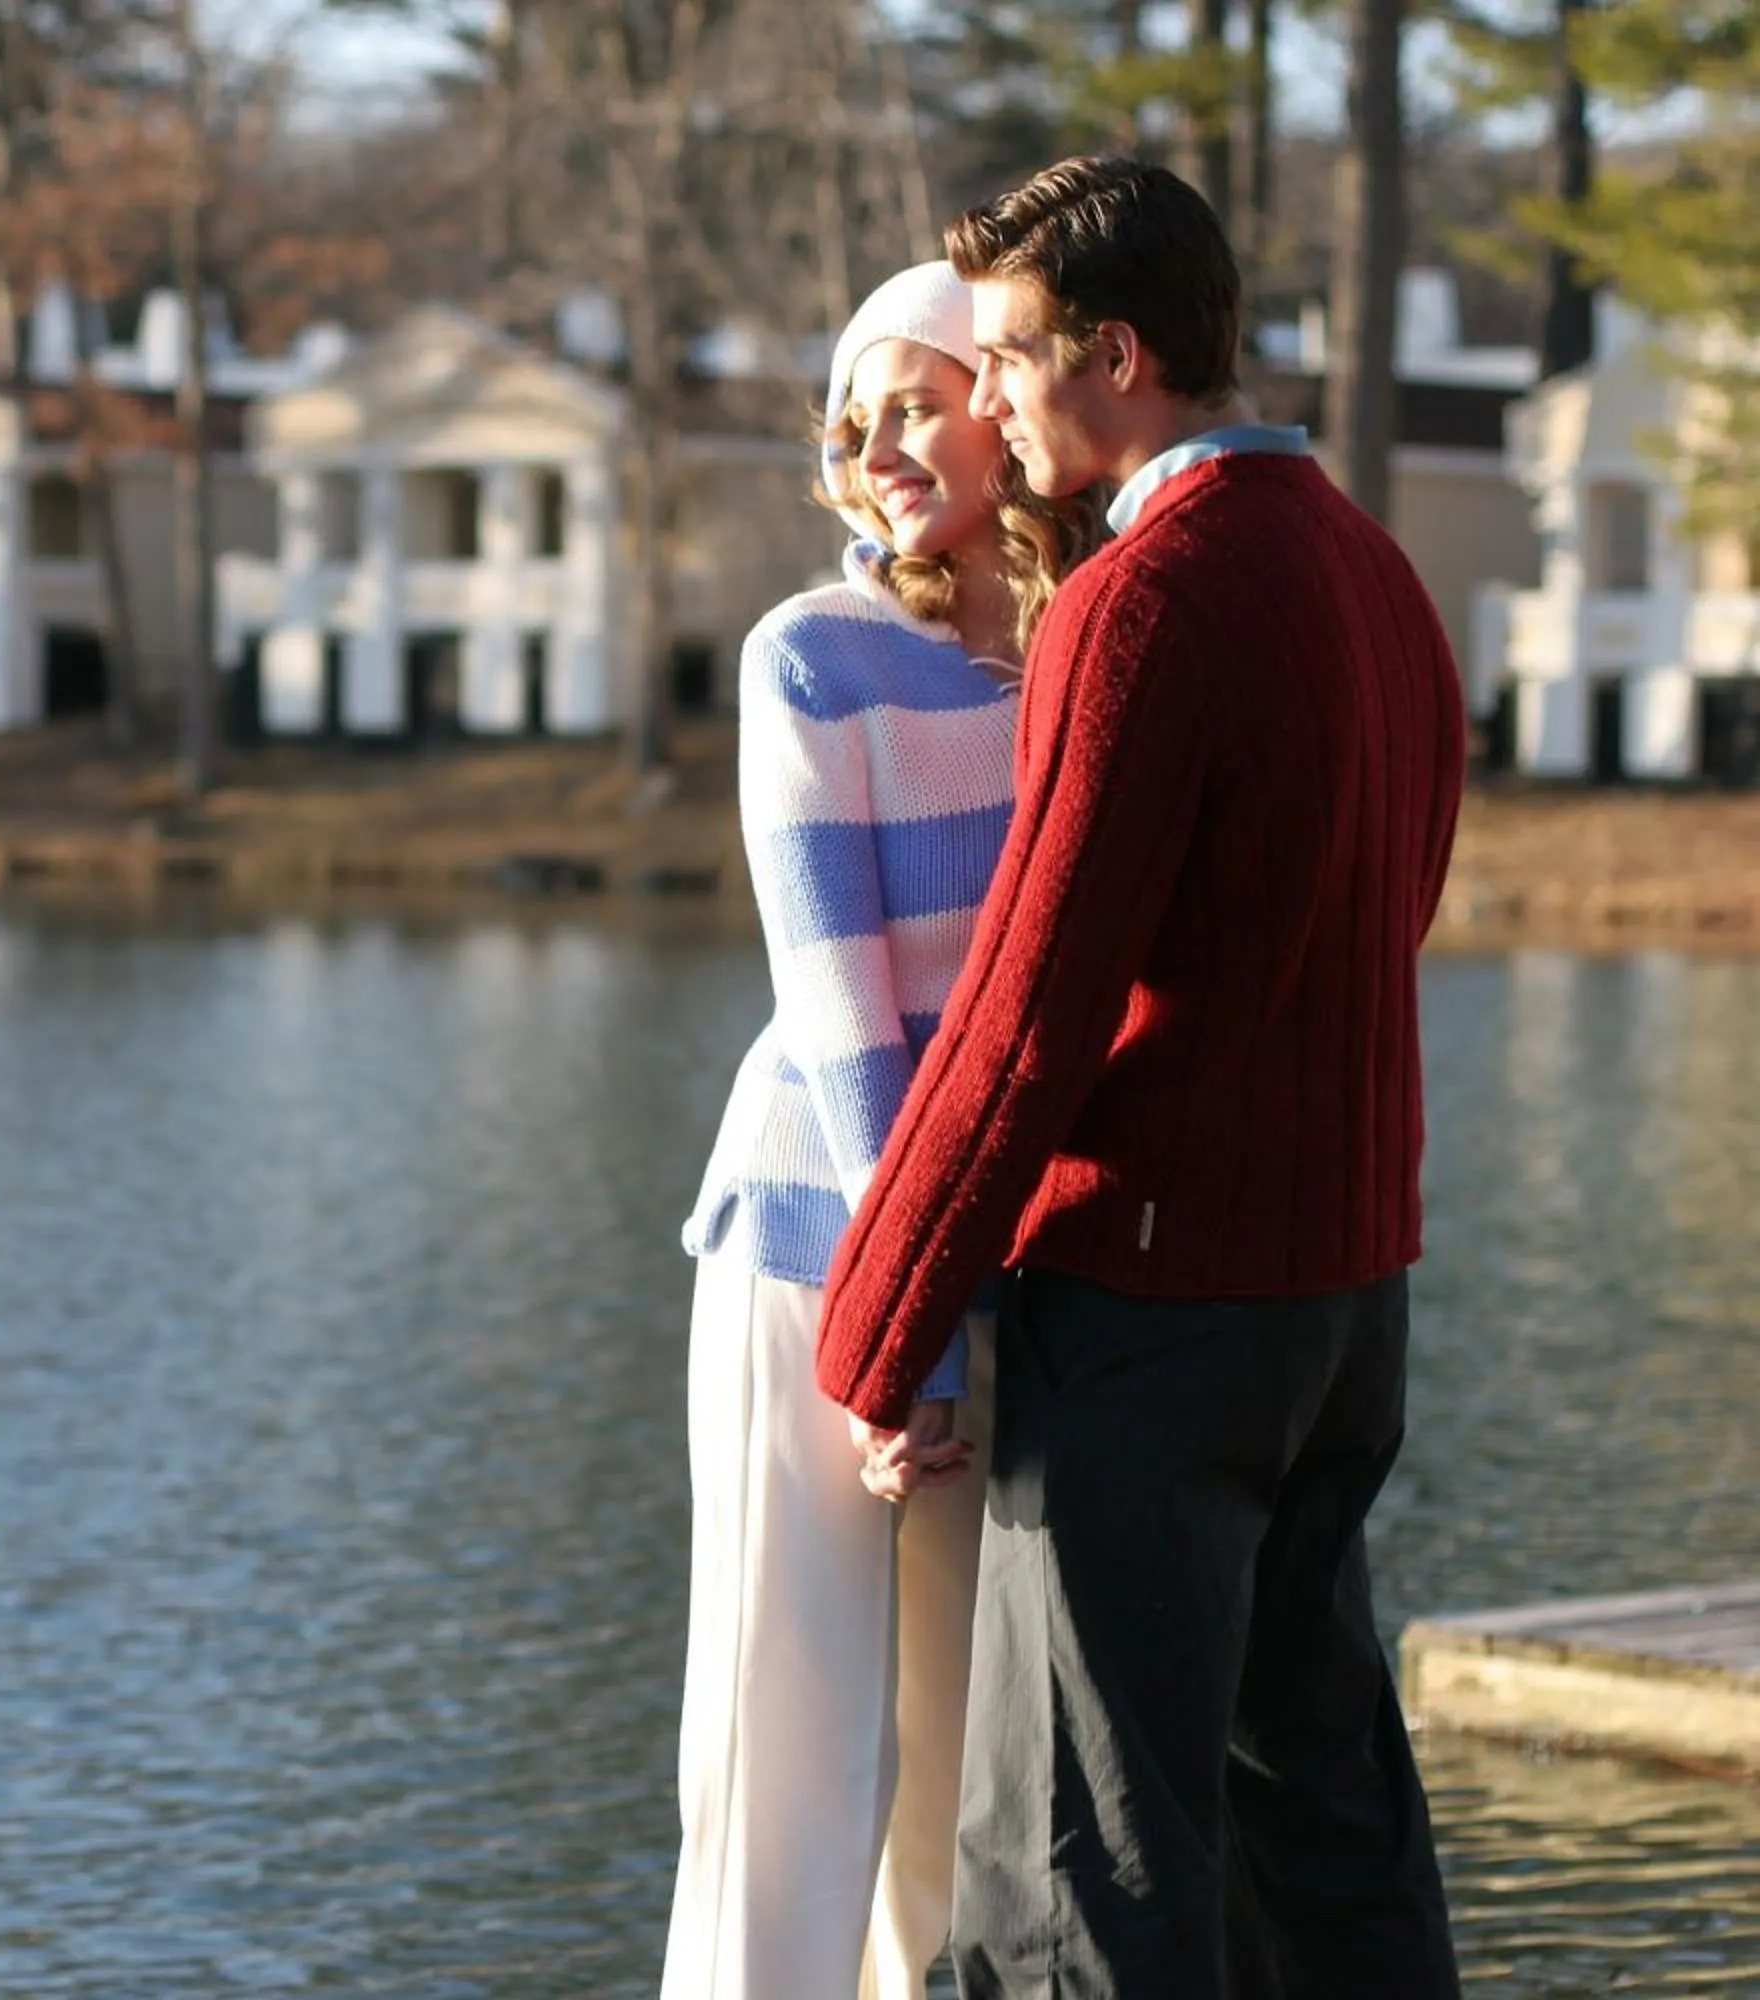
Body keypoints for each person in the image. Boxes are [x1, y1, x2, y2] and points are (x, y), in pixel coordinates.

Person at [810, 158, 1466, 1998]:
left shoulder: (1141, 604)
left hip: (1163, 1315)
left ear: (1116, 354)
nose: (991, 398)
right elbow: (1388, 915)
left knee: (1074, 1882)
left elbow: (1028, 1015)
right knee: (1322, 1837)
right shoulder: (1377, 573)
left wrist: (873, 1336)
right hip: (1346, 1306)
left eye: (1010, 358)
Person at [663, 260, 1105, 2000]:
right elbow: (843, 1002)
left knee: (959, 1746)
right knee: (788, 1728)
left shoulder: (1083, 650)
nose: (872, 444)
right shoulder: (812, 655)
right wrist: (899, 1307)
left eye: (912, 400)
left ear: (1003, 407)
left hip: (994, 1256)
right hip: (819, 1249)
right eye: (851, 419)